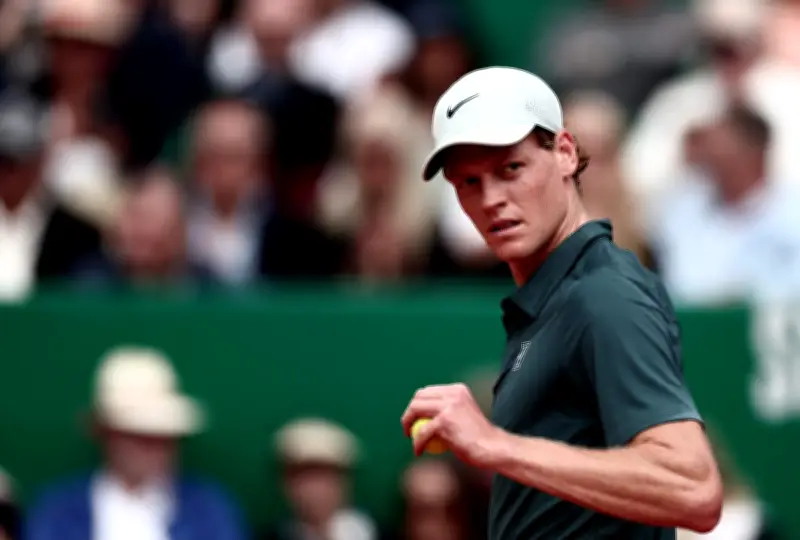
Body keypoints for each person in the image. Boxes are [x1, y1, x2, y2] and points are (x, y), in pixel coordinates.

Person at [400, 66, 724, 539]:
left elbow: (692, 489)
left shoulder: (604, 295)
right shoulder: (555, 301)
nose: (491, 199)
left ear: (566, 153)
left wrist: (493, 444)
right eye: (468, 182)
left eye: (511, 169)